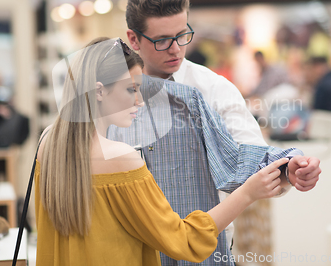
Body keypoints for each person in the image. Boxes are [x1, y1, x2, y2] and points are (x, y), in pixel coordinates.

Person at [113, 0, 321, 266]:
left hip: (204, 252)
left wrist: (288, 171)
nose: (176, 49)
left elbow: (247, 156)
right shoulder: (113, 97)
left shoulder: (212, 90)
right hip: (132, 253)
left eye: (182, 35)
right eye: (162, 41)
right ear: (133, 39)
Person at [35, 38, 290, 266]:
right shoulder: (121, 159)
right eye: (131, 89)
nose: (139, 101)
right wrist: (247, 193)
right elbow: (183, 240)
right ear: (99, 90)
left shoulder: (48, 144)